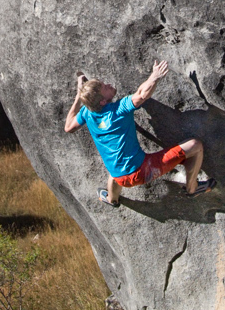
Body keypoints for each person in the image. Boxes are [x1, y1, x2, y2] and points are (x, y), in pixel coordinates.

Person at [64, 59, 212, 206]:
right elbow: (141, 95)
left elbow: (69, 127)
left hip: (118, 176)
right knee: (195, 145)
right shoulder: (118, 109)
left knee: (116, 167)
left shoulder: (87, 112)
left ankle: (111, 199)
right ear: (102, 101)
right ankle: (192, 188)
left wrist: (79, 96)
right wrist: (155, 76)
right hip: (141, 171)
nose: (108, 85)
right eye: (105, 87)